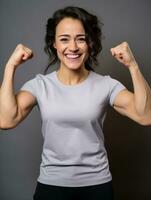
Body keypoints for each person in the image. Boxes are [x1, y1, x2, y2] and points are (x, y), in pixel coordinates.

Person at [0, 6, 151, 200]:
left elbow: (146, 115)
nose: (73, 47)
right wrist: (10, 66)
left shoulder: (106, 85)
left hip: (97, 186)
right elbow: (5, 120)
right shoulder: (40, 85)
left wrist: (133, 66)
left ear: (90, 43)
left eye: (81, 38)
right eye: (64, 39)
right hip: (51, 186)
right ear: (54, 43)